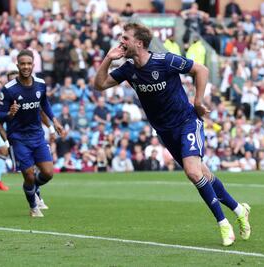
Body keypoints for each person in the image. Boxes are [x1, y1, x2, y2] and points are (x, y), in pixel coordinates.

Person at [94, 23, 251, 246]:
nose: (121, 41)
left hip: (187, 121)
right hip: (165, 131)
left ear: (139, 42)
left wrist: (198, 101)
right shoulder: (128, 69)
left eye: (125, 38)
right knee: (203, 173)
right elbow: (99, 85)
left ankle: (223, 224)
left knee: (193, 172)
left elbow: (201, 70)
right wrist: (108, 59)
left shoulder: (165, 60)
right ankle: (238, 209)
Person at [0, 49, 66, 217]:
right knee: (28, 175)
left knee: (48, 173)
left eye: (29, 63)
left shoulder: (40, 84)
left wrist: (54, 121)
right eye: (23, 64)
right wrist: (10, 114)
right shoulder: (8, 89)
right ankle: (33, 206)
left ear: (33, 65)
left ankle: (35, 189)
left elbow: (45, 103)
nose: (26, 66)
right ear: (17, 65)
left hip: (37, 135)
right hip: (18, 137)